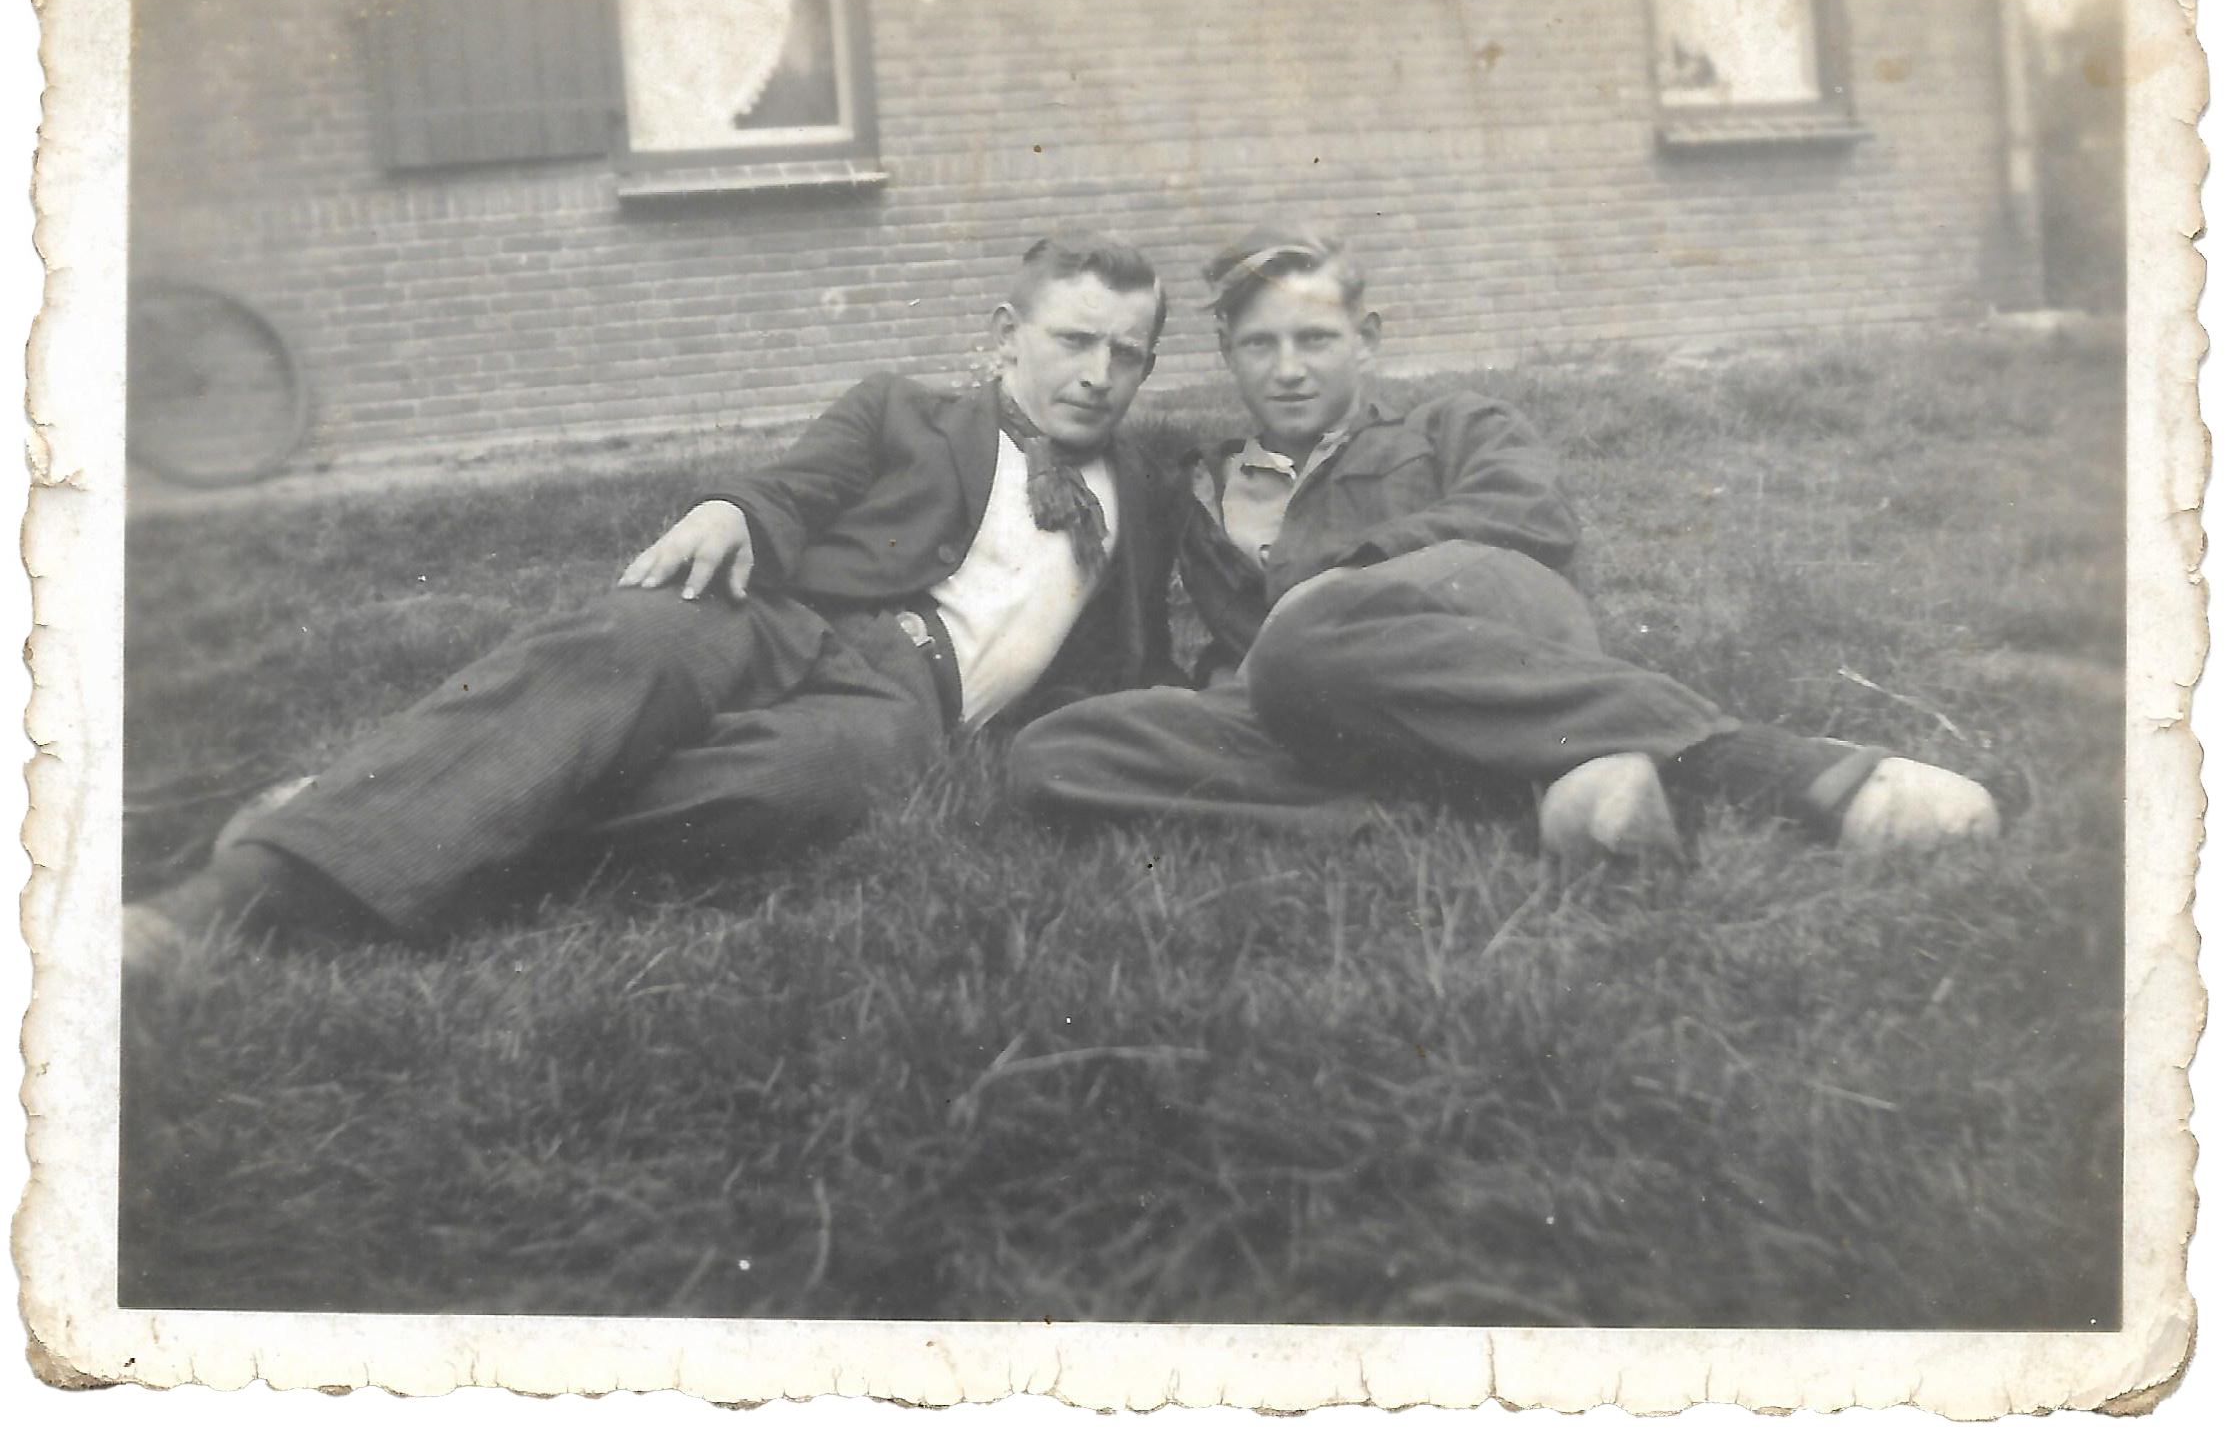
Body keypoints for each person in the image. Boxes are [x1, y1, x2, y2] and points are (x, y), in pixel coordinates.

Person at [127, 234, 1180, 965]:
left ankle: (374, 829)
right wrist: (728, 509)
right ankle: (223, 900)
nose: (1098, 373)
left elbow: (1137, 657)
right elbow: (792, 490)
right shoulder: (900, 410)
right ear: (1006, 332)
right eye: (1072, 340)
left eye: (1125, 354)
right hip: (782, 618)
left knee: (791, 786)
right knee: (623, 646)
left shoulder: (1145, 494)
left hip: (905, 704)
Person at [1009, 227, 2001, 864]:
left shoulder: (1450, 425)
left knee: (1307, 633)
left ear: (1368, 338)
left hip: (1484, 638)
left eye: (1315, 340)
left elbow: (1529, 516)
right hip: (1309, 706)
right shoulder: (1199, 485)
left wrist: (1342, 582)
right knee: (1057, 752)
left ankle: (1752, 764)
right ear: (1228, 356)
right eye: (1260, 346)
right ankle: (1532, 801)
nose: (1289, 369)